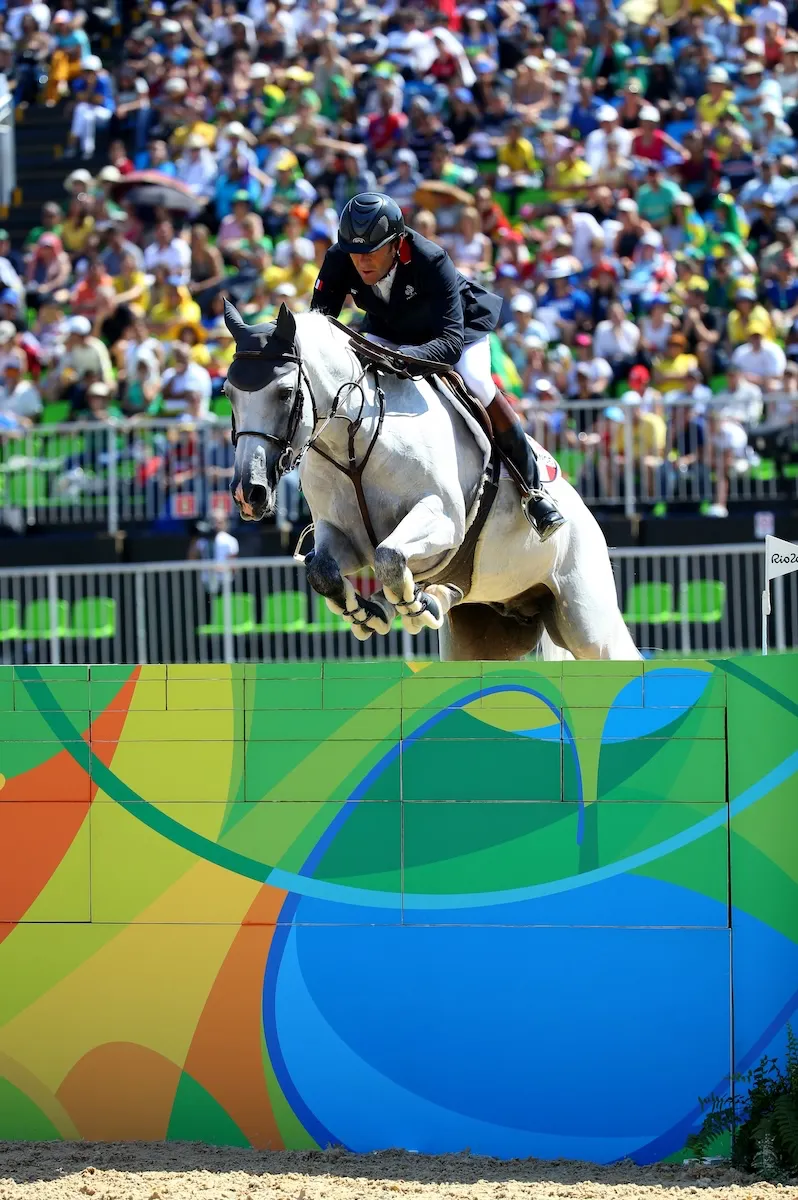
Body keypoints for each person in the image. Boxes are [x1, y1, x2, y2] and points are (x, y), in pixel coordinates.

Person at [310, 192, 565, 539]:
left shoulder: (431, 259)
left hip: (457, 334)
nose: (361, 262)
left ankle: (533, 490)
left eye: (370, 252)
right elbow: (319, 324)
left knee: (477, 382)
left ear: (397, 243)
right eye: (355, 253)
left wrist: (399, 357)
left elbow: (449, 344)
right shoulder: (341, 258)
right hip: (391, 332)